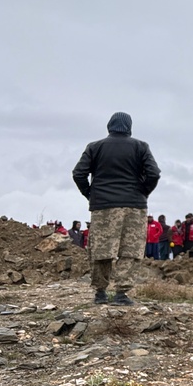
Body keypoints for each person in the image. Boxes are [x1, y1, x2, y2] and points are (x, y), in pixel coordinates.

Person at [72, 112, 160, 305]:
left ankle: (100, 293)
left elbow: (78, 173)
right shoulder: (140, 146)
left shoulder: (95, 147)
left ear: (109, 126)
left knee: (101, 249)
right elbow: (154, 173)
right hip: (134, 207)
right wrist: (143, 191)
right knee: (131, 250)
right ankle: (121, 294)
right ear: (129, 127)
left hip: (103, 206)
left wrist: (90, 194)